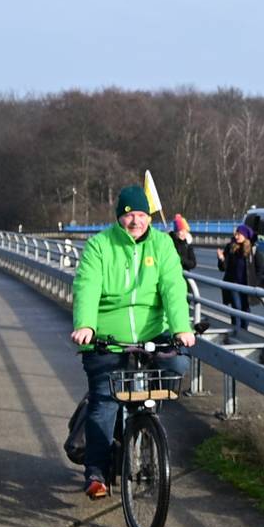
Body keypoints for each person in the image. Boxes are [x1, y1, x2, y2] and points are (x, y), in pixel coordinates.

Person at [64, 184, 197, 500]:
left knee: (178, 363)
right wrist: (85, 325)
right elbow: (87, 287)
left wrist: (181, 327)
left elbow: (173, 289)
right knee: (105, 402)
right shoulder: (100, 246)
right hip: (108, 339)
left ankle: (144, 429)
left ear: (149, 216)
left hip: (154, 334)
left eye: (141, 215)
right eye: (129, 215)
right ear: (119, 217)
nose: (136, 221)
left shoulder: (162, 245)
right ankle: (96, 472)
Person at [218, 224, 259, 331]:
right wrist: (221, 259)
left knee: (246, 309)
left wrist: (256, 282)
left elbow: (260, 268)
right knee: (237, 308)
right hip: (233, 284)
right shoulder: (230, 247)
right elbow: (223, 268)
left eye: (239, 234)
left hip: (247, 285)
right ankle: (236, 330)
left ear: (245, 236)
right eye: (236, 234)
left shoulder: (252, 250)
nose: (236, 236)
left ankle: (244, 331)